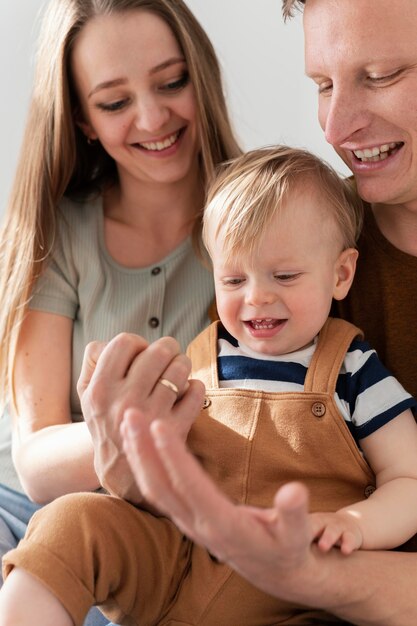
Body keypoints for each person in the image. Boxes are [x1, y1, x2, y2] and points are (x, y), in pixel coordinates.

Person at [56, 0, 417, 625]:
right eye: (322, 85)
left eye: (383, 74)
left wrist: (313, 568)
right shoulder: (304, 238)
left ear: (343, 273)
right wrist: (129, 464)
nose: (333, 127)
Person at [1, 145, 417, 624]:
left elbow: (407, 479)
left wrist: (353, 526)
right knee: (69, 522)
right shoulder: (197, 361)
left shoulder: (355, 373)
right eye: (234, 279)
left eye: (284, 275)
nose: (257, 296)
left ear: (341, 274)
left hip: (293, 594)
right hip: (176, 560)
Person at [0, 0, 240, 624]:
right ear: (81, 119)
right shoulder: (56, 231)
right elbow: (36, 461)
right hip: (29, 509)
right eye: (114, 102)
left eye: (171, 82)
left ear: (201, 75)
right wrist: (131, 431)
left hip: (169, 529)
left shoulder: (261, 217)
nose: (154, 117)